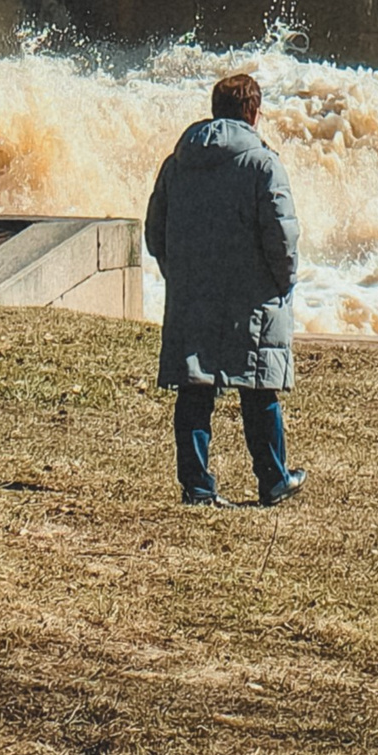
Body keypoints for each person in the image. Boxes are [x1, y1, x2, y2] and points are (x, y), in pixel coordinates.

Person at [145, 70, 308, 509]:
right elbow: (282, 236)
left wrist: (178, 273)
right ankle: (273, 478)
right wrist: (282, 280)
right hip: (251, 293)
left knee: (194, 387)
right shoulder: (263, 164)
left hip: (193, 290)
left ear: (216, 110)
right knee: (258, 387)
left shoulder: (177, 162)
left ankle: (197, 487)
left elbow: (154, 233)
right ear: (254, 113)